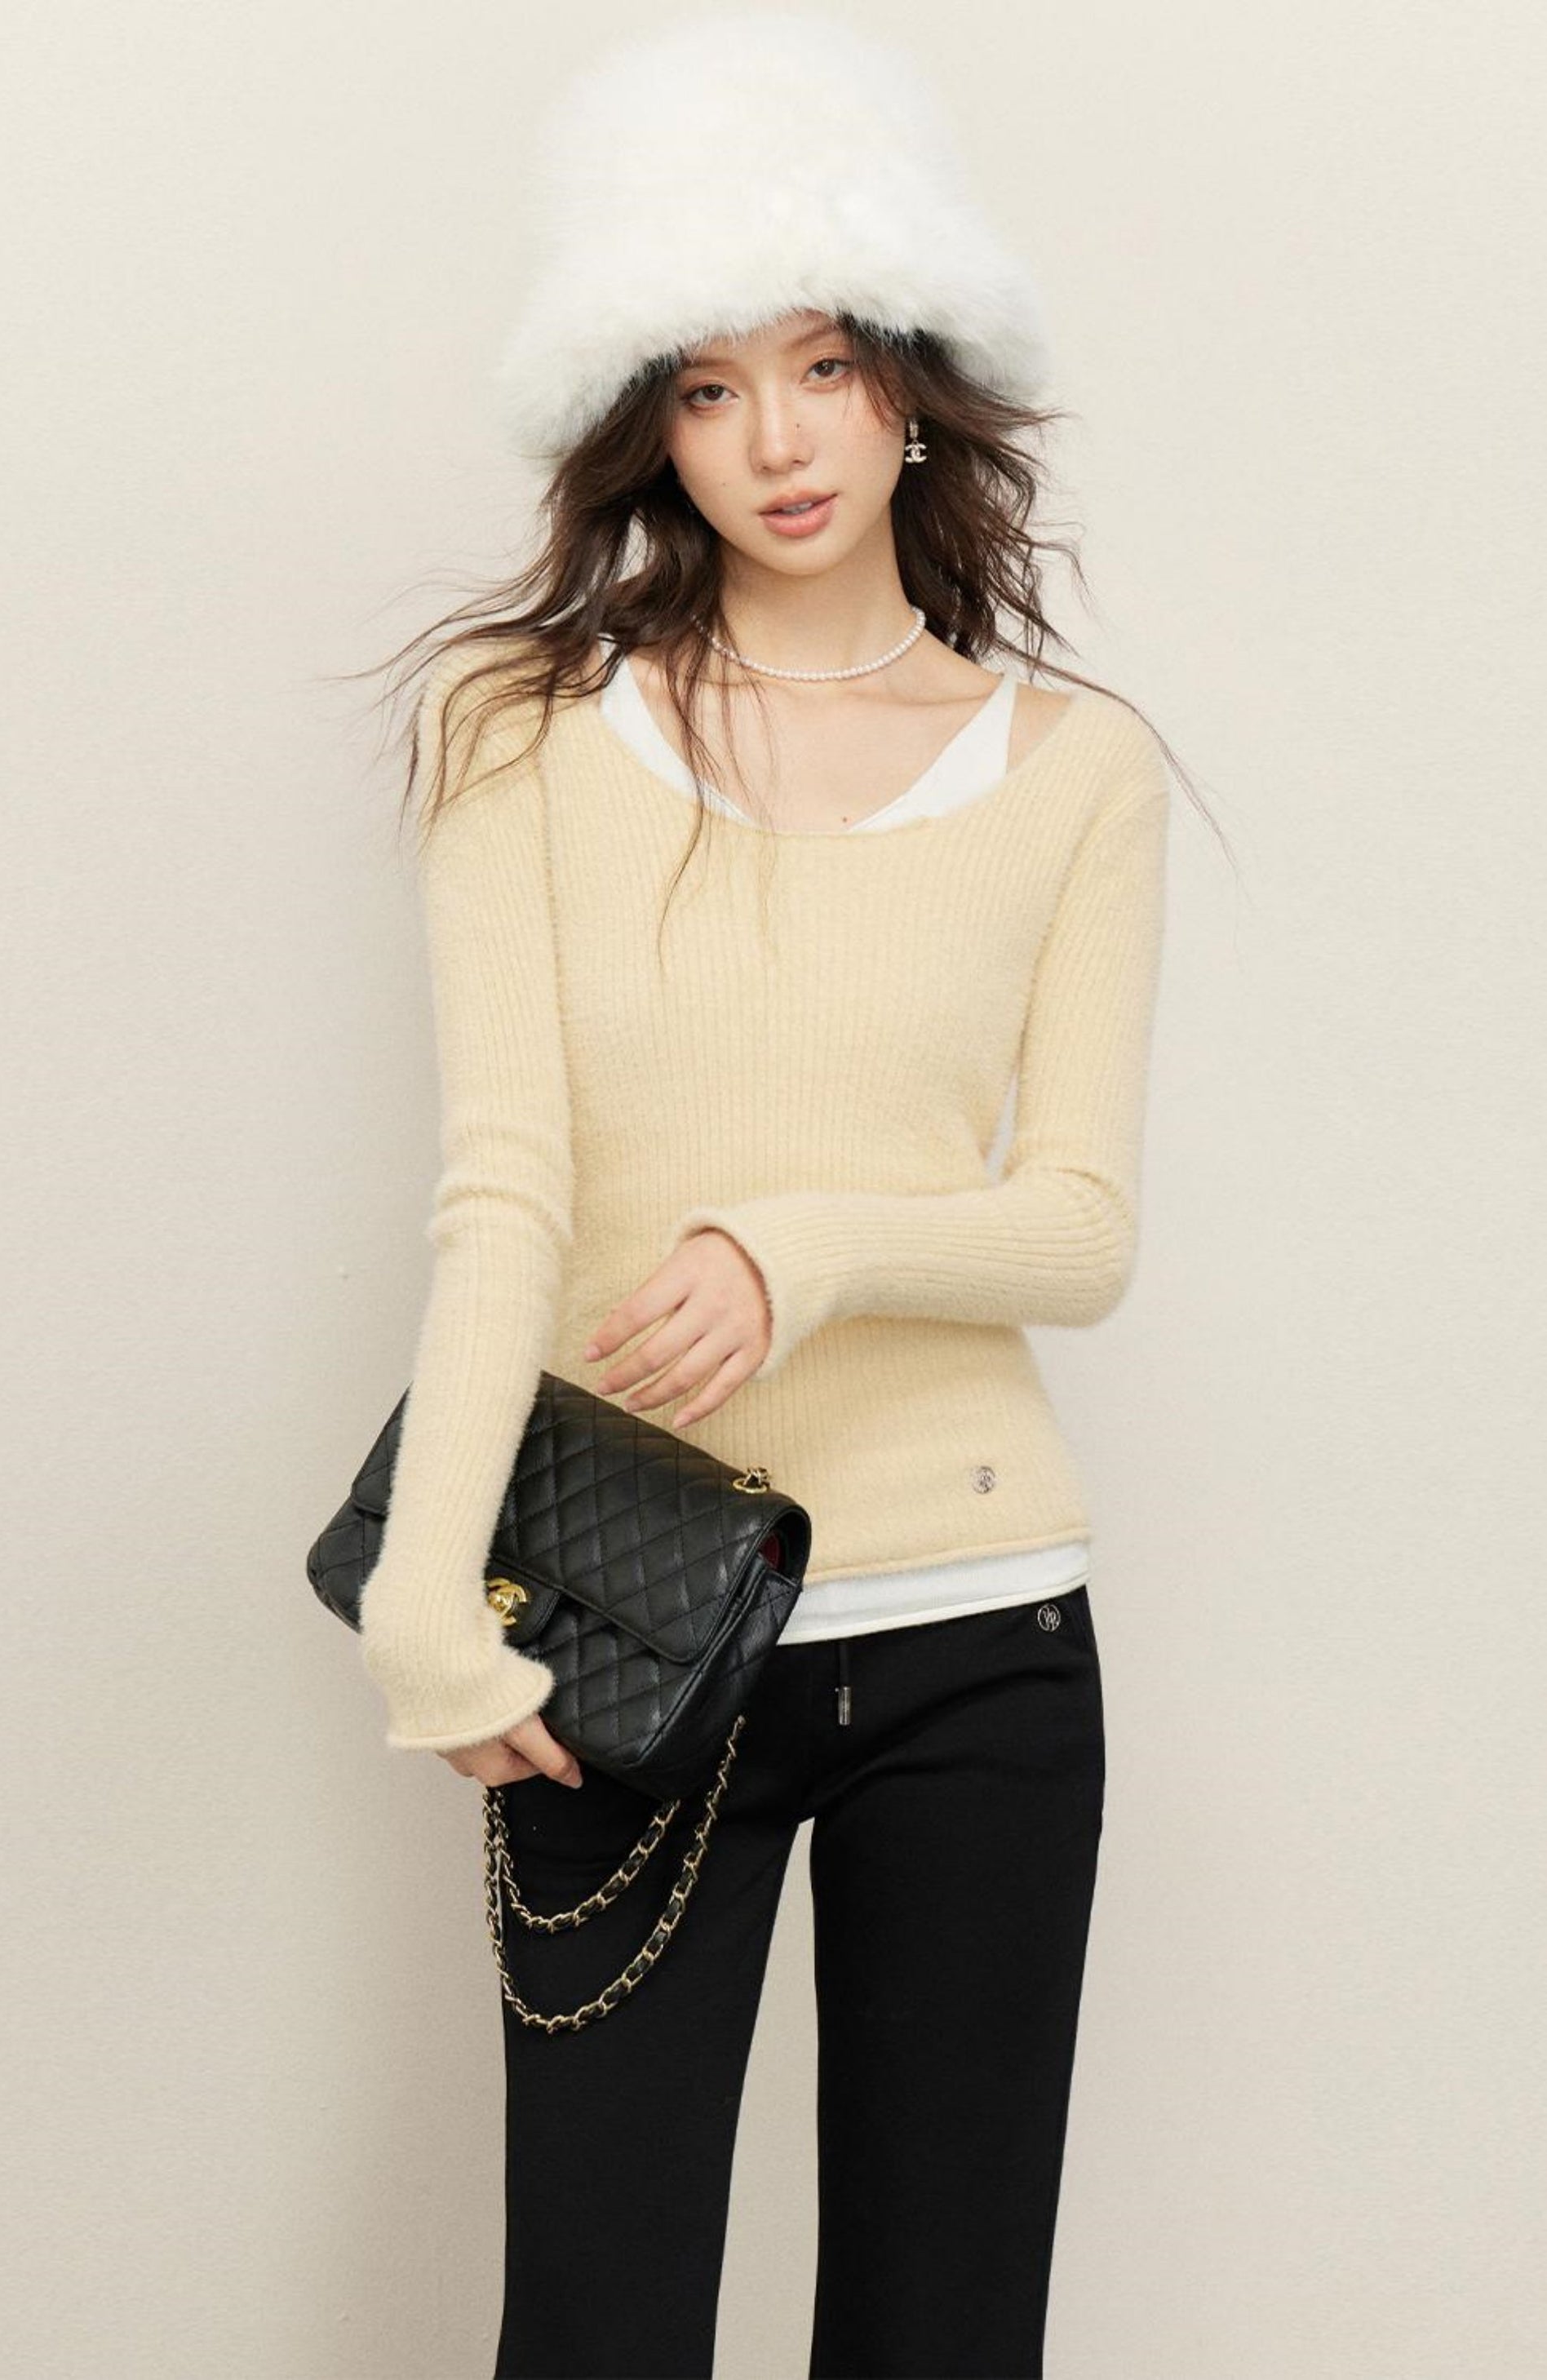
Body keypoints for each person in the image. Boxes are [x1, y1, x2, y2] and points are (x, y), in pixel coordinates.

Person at [350, 14, 1195, 2376]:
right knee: (596, 2330)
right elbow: (502, 1186)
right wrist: (424, 1594)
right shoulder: (519, 731)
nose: (779, 440)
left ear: (911, 383)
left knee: (942, 2334)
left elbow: (1082, 1226)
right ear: (651, 422)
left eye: (823, 365)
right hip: (624, 1635)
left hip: (984, 1636)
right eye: (711, 389)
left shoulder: (1075, 772)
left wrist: (798, 1245)